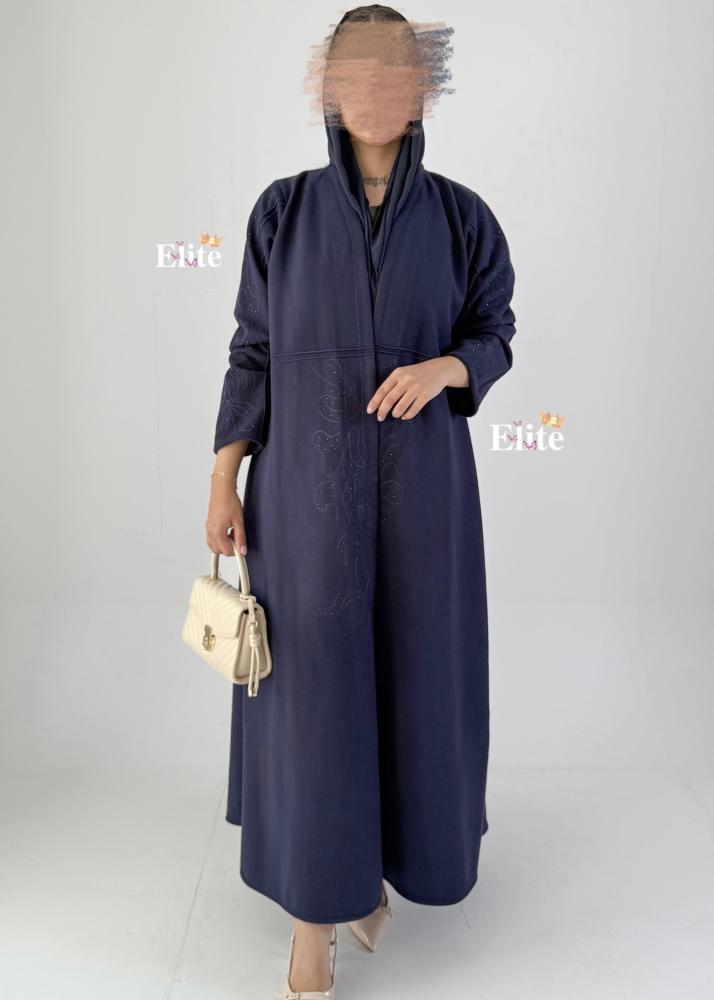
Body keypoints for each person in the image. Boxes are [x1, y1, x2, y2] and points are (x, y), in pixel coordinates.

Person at [205, 5, 517, 997]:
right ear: (327, 88)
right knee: (316, 695)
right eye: (357, 69)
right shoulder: (281, 213)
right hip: (303, 496)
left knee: (418, 680)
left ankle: (379, 869)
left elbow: (495, 333)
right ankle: (315, 918)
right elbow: (254, 350)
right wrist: (222, 476)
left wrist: (445, 368)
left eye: (396, 68)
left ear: (424, 86)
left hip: (426, 495)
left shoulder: (464, 217)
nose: (377, 88)